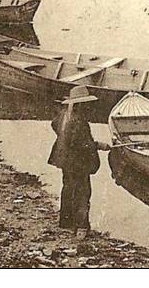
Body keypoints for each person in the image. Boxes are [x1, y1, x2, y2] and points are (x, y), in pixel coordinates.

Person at [48, 85, 111, 238]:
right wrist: (98, 145)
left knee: (68, 187)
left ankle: (66, 222)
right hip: (77, 161)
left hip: (64, 159)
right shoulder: (78, 121)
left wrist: (64, 138)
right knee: (82, 192)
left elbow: (54, 125)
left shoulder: (64, 115)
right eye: (86, 104)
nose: (88, 107)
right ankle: (82, 227)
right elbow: (81, 143)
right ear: (80, 104)